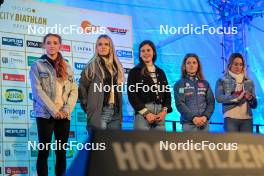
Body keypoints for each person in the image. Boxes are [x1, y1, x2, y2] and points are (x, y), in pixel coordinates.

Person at [29, 33, 78, 176]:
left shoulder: (67, 66)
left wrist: (66, 110)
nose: (52, 45)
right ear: (44, 45)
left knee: (61, 152)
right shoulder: (37, 65)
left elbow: (74, 90)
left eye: (55, 43)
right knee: (44, 151)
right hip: (45, 114)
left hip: (64, 115)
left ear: (60, 46)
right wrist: (54, 110)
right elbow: (37, 92)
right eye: (48, 42)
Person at [79, 34, 124, 129]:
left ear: (110, 47)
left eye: (106, 44)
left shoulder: (117, 67)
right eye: (100, 44)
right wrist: (89, 108)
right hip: (99, 113)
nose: (103, 47)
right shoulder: (91, 66)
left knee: (113, 143)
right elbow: (82, 89)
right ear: (96, 47)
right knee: (99, 143)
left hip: (115, 113)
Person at [127, 40, 172, 130]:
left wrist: (164, 111)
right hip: (142, 113)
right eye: (142, 51)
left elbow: (167, 94)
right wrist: (146, 113)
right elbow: (132, 95)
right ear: (139, 54)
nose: (146, 53)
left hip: (160, 113)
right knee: (142, 143)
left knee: (159, 143)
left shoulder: (160, 72)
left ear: (154, 53)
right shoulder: (134, 72)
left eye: (148, 50)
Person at [215, 53, 257, 132]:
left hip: (247, 119)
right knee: (232, 144)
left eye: (241, 64)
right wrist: (237, 97)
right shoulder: (222, 80)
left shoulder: (249, 82)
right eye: (236, 64)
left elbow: (254, 105)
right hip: (230, 117)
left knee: (246, 144)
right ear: (230, 65)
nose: (238, 67)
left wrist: (250, 98)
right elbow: (219, 98)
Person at [174, 53, 215, 132]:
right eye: (188, 63)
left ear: (198, 66)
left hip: (204, 124)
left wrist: (205, 117)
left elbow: (211, 102)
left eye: (194, 63)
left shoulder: (205, 84)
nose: (191, 65)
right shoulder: (180, 84)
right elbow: (180, 103)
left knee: (204, 144)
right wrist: (193, 118)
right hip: (188, 124)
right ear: (184, 66)